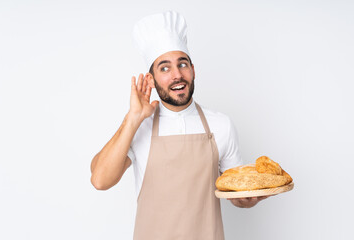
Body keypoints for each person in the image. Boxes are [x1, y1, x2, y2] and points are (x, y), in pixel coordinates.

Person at [90, 10, 268, 240]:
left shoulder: (221, 125)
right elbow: (100, 180)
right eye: (164, 68)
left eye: (182, 64)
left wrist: (250, 197)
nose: (177, 75)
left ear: (193, 71)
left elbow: (237, 195)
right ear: (151, 79)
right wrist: (133, 117)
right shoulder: (139, 127)